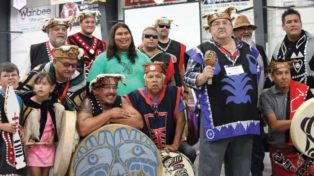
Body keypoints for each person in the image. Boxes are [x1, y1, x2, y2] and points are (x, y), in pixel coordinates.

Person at [184, 6, 261, 176]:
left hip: (245, 120)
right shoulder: (201, 51)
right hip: (215, 120)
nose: (221, 26)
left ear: (231, 26)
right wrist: (201, 77)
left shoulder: (250, 51)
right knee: (209, 170)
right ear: (209, 29)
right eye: (216, 24)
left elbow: (258, 80)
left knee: (241, 170)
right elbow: (187, 77)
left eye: (225, 23)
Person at [125, 62, 197, 163]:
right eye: (150, 77)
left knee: (190, 152)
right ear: (145, 81)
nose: (154, 80)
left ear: (163, 80)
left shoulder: (173, 93)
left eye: (158, 77)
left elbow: (181, 119)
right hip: (145, 147)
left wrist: (175, 144)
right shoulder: (134, 97)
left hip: (171, 142)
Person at [260, 60, 314, 176]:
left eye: (287, 73)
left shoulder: (303, 91)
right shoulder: (266, 96)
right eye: (279, 73)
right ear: (272, 77)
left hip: (303, 149)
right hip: (280, 150)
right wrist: (301, 120)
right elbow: (274, 125)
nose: (284, 77)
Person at [233, 14, 268, 176]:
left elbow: (266, 77)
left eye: (248, 28)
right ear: (234, 32)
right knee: (236, 151)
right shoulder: (231, 51)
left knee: (257, 148)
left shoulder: (259, 49)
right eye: (241, 29)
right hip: (235, 110)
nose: (245, 31)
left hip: (256, 109)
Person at [87, 23, 150, 96]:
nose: (124, 36)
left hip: (142, 103)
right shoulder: (102, 59)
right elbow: (91, 86)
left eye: (126, 33)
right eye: (119, 34)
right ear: (113, 38)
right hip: (113, 105)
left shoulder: (143, 57)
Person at [18, 45, 86, 111]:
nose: (70, 69)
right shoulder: (40, 71)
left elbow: (81, 107)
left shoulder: (80, 79)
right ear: (55, 62)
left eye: (74, 65)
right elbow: (21, 92)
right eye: (66, 65)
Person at [22, 72, 64, 176]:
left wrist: (53, 138)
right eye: (37, 83)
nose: (40, 86)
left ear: (52, 88)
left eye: (45, 84)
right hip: (32, 147)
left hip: (48, 147)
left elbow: (57, 126)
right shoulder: (27, 104)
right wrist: (26, 138)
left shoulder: (55, 106)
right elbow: (21, 124)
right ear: (33, 87)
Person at [77, 74, 143, 137]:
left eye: (114, 87)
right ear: (95, 90)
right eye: (106, 87)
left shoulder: (120, 100)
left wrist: (109, 119)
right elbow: (82, 130)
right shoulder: (88, 102)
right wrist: (110, 114)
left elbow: (138, 123)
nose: (112, 91)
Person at [272, 8, 314, 91]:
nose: (293, 24)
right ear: (283, 27)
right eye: (289, 22)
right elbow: (272, 75)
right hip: (286, 98)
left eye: (296, 21)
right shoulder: (278, 49)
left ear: (301, 24)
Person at [0, 62, 26, 175]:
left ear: (19, 78)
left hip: (15, 144)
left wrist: (22, 130)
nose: (10, 77)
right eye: (6, 75)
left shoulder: (19, 99)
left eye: (13, 75)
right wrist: (2, 126)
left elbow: (19, 121)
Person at [155, 17, 189, 97]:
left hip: (175, 88)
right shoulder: (149, 46)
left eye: (167, 26)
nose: (164, 28)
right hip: (154, 88)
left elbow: (181, 69)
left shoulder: (179, 46)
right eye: (161, 26)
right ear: (156, 27)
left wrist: (186, 90)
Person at [67, 10, 106, 76]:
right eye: (87, 22)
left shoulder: (101, 44)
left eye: (92, 22)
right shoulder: (70, 40)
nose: (90, 25)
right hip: (78, 82)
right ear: (80, 23)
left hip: (99, 83)